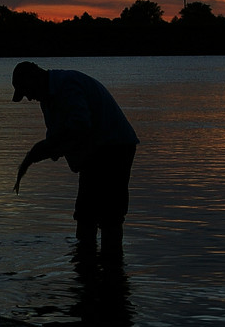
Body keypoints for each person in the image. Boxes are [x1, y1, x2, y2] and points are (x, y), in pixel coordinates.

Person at [10, 61, 139, 257]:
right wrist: (40, 153)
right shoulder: (47, 100)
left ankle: (110, 269)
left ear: (34, 78)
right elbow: (57, 141)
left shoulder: (67, 85)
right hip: (94, 152)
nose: (28, 97)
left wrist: (43, 149)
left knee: (110, 216)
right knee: (86, 215)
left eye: (26, 91)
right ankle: (86, 266)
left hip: (115, 147)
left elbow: (80, 126)